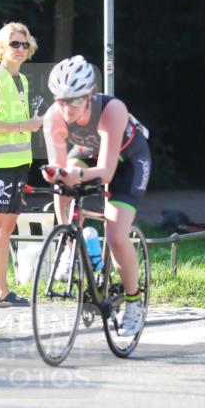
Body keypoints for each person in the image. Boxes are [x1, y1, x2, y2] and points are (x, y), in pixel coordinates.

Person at [40, 55, 151, 336]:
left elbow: (106, 173)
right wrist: (57, 174)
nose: (66, 109)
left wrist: (76, 175)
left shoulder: (112, 110)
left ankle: (134, 303)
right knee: (64, 182)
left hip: (128, 162)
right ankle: (69, 245)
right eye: (61, 101)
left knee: (115, 236)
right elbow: (62, 167)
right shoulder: (53, 116)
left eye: (74, 101)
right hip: (88, 156)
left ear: (89, 95)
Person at [0, 22, 43, 307]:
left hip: (19, 161)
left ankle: (2, 290)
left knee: (8, 225)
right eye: (15, 44)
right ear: (2, 48)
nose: (21, 49)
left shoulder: (23, 81)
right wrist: (26, 124)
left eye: (25, 44)